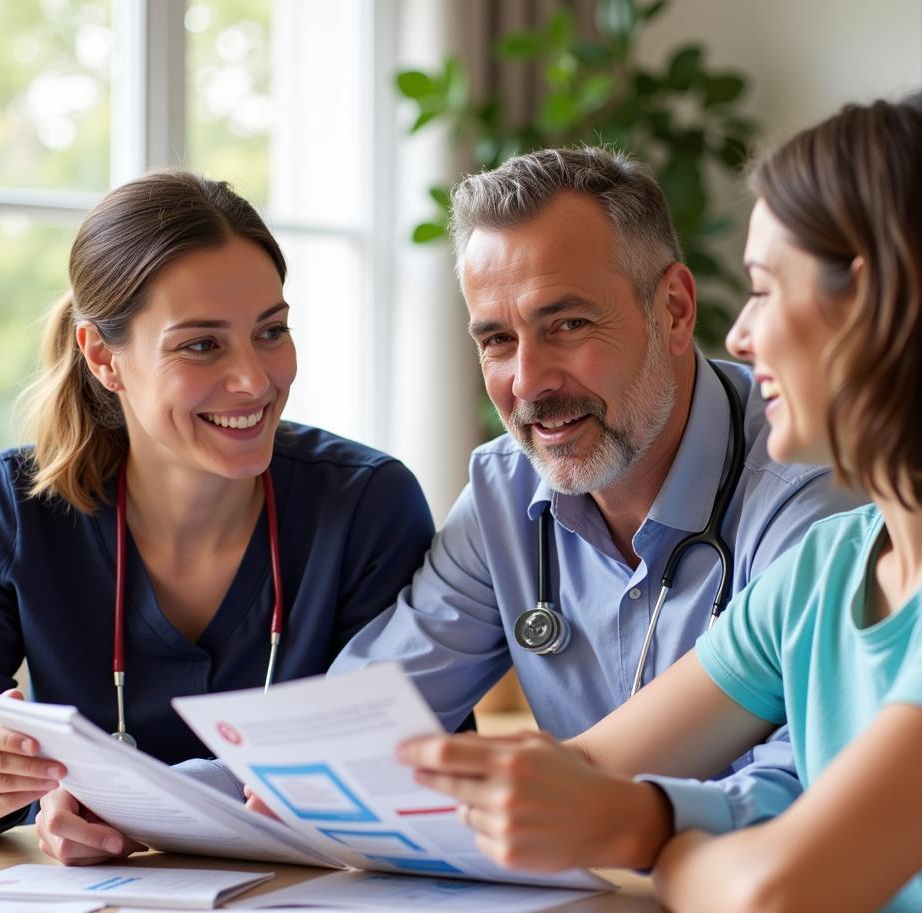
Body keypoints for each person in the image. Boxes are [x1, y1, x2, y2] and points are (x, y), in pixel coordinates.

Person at [398, 90, 922, 913]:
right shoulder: (834, 568)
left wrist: (645, 831)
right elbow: (587, 772)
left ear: (882, 303)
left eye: (766, 289)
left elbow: (771, 900)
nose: (739, 334)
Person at [331, 146, 859, 811]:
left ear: (672, 309)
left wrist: (619, 823)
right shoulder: (505, 493)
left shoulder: (808, 494)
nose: (528, 381)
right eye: (497, 340)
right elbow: (361, 726)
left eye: (568, 325)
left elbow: (819, 788)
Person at [0, 170, 435, 862]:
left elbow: (421, 770)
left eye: (272, 332)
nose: (254, 381)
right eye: (202, 344)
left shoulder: (368, 506)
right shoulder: (18, 505)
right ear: (104, 356)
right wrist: (13, 786)